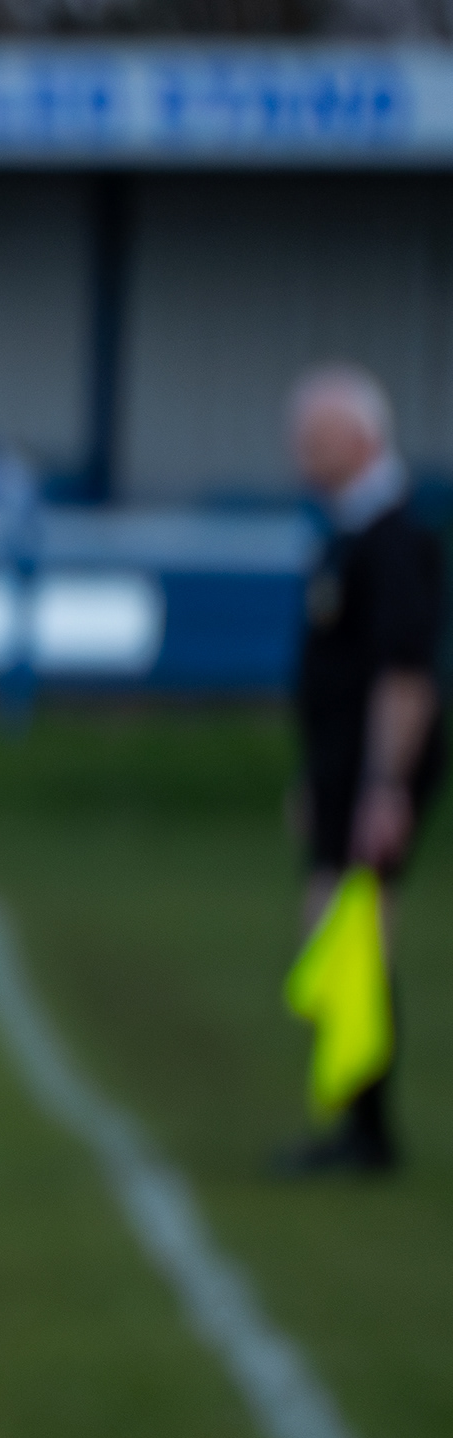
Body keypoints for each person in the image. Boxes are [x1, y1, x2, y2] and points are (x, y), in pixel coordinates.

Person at [277, 363, 442, 1175]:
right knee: (335, 936)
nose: (301, 452)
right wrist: (318, 777)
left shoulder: (393, 540)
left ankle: (366, 1134)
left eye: (316, 437)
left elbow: (406, 675)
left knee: (353, 938)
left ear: (362, 440)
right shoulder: (348, 533)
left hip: (375, 773)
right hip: (345, 769)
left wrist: (385, 787)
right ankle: (355, 1123)